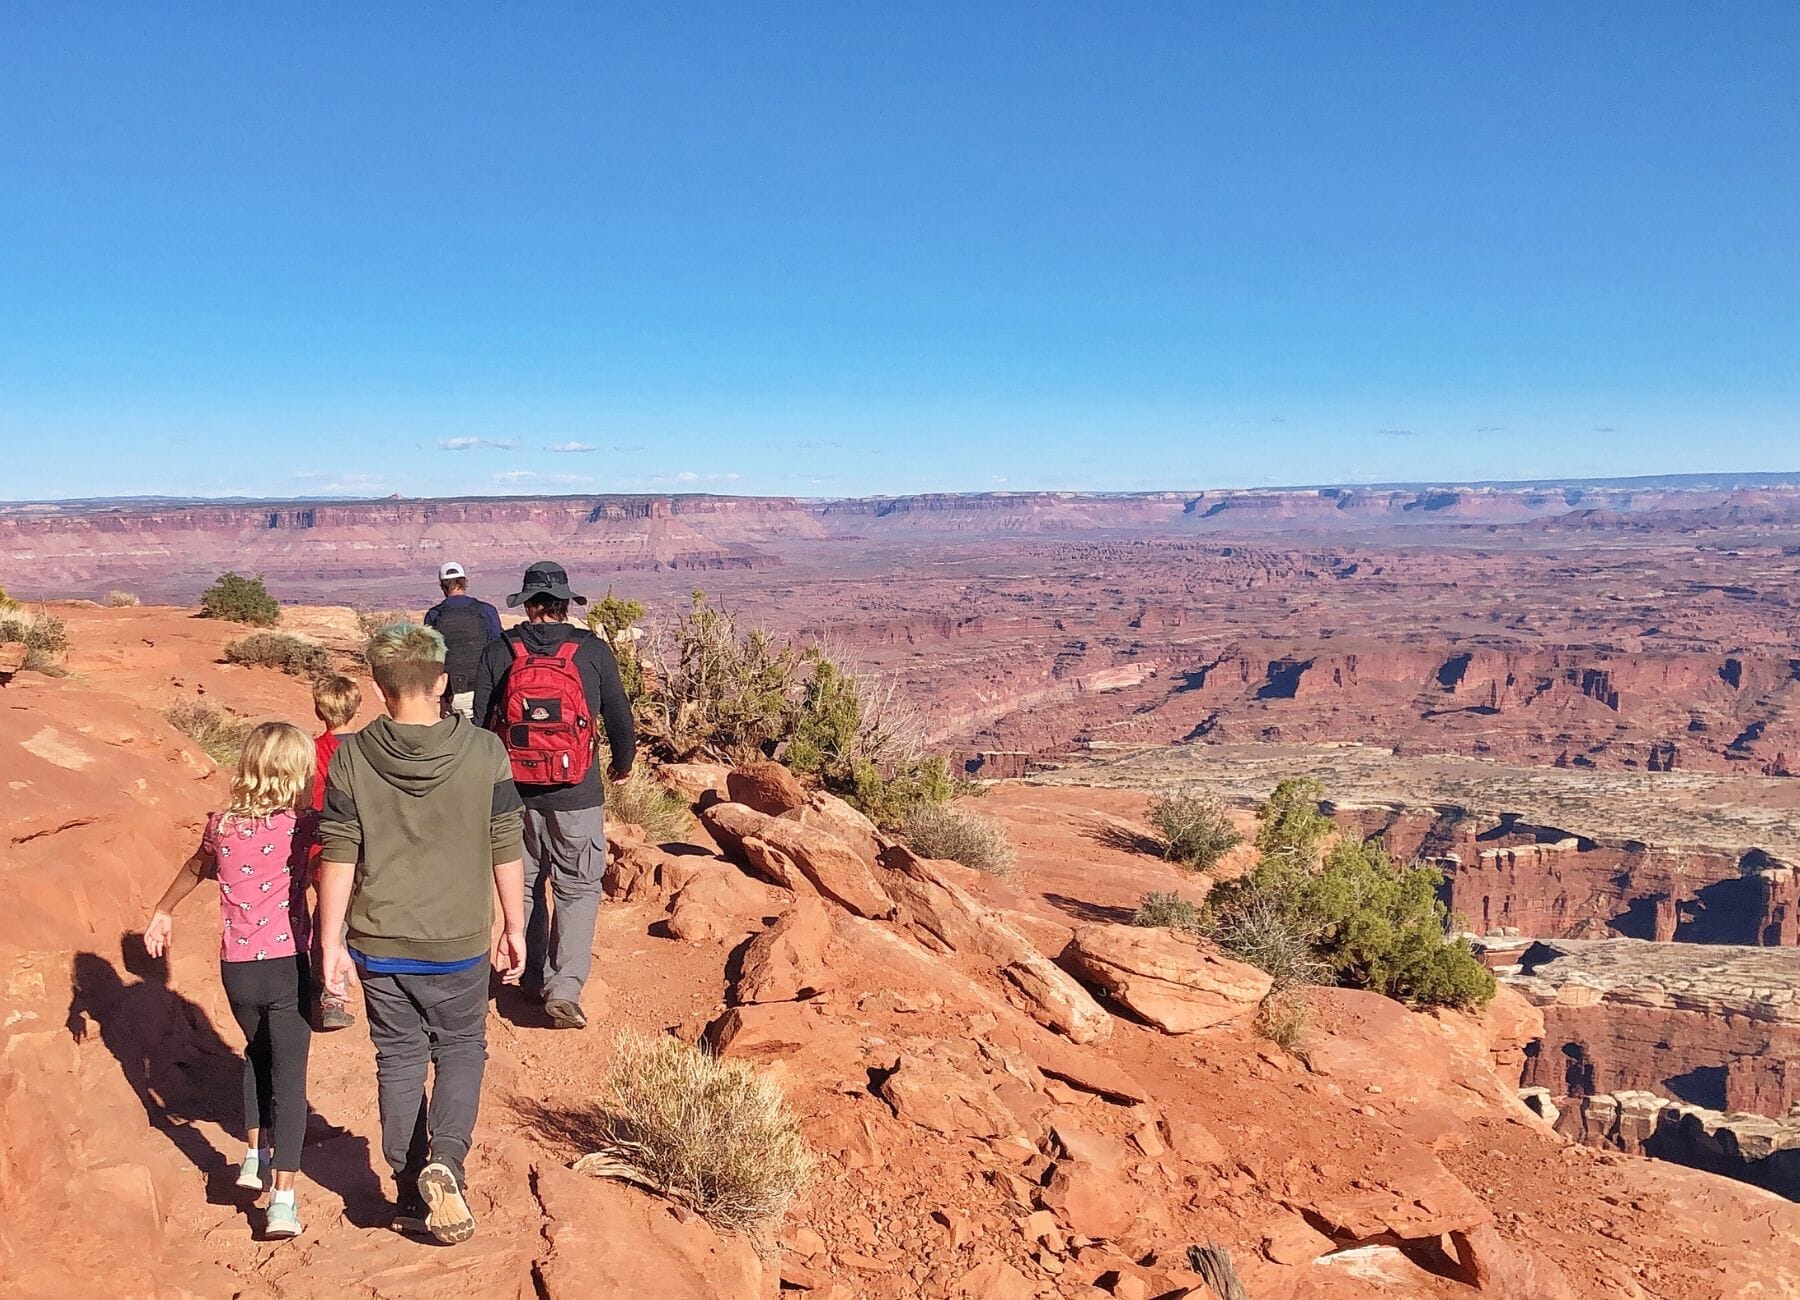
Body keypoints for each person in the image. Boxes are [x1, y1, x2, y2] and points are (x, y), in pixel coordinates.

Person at [316, 622, 526, 1246]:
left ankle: (409, 1189)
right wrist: (515, 925)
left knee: (399, 1057)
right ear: (441, 681)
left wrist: (329, 945)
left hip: (378, 942)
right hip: (458, 939)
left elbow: (338, 853)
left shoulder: (351, 756)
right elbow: (505, 842)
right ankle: (447, 1165)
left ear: (381, 689)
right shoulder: (485, 751)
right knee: (461, 1047)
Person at [142, 722, 317, 1240]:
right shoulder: (304, 825)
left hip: (237, 968)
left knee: (255, 1052)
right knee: (289, 1077)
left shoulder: (221, 824)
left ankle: (252, 1156)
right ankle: (282, 1200)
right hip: (289, 963)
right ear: (294, 771)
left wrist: (162, 910)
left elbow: (196, 868)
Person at [471, 561, 634, 1031]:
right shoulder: (593, 651)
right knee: (578, 886)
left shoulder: (499, 650)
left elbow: (482, 726)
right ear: (566, 603)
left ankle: (526, 973)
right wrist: (623, 763)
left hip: (513, 791)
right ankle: (564, 988)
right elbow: (619, 716)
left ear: (526, 604)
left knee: (522, 882)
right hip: (578, 790)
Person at [308, 673, 362, 1030]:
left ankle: (329, 990)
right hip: (366, 841)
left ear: (318, 710)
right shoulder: (368, 748)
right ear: (358, 707)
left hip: (321, 843)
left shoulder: (310, 750)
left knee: (330, 911)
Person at [424, 562, 502, 721]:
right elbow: (498, 651)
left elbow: (430, 659)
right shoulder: (486, 611)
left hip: (452, 694)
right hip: (485, 693)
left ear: (441, 585)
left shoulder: (434, 615)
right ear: (465, 582)